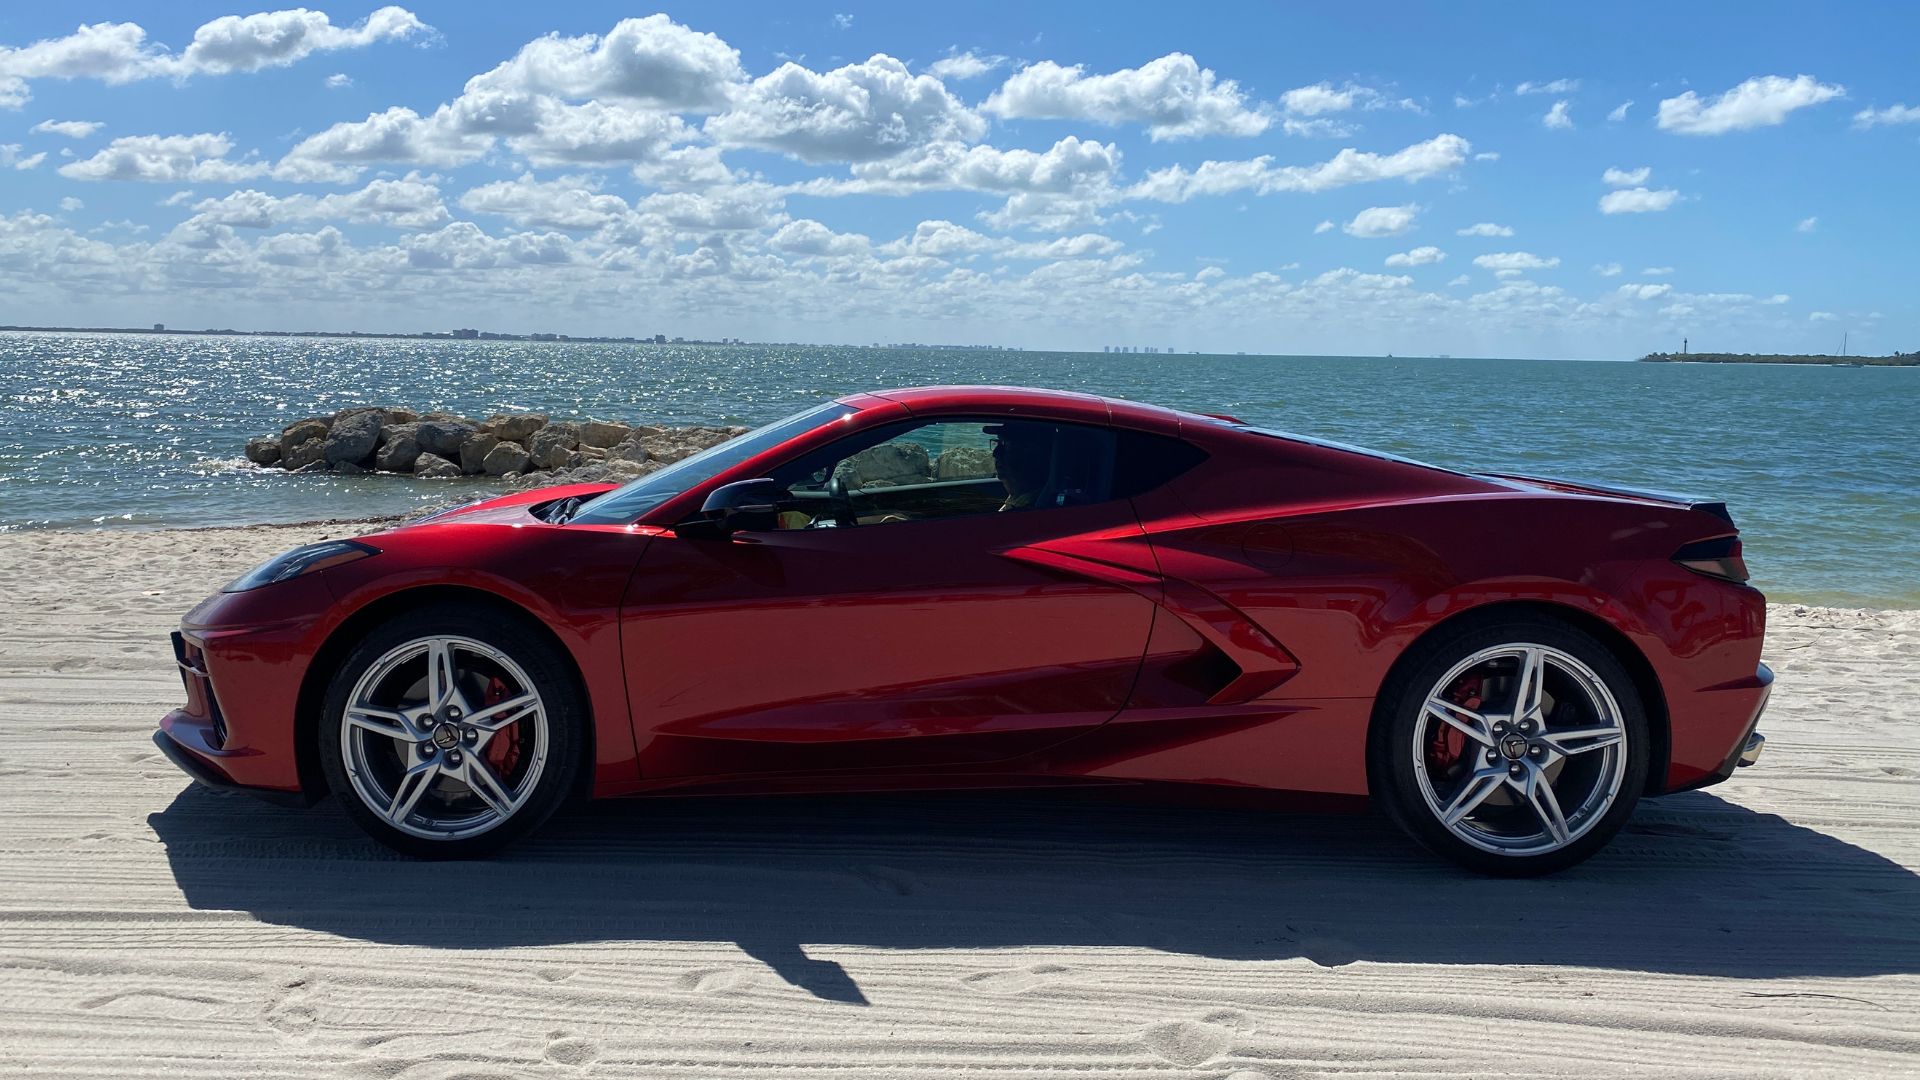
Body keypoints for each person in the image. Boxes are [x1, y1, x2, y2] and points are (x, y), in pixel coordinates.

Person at [987, 424, 1053, 511]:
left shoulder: (1029, 509)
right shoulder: (1017, 498)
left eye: (1006, 444)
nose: (995, 453)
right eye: (998, 443)